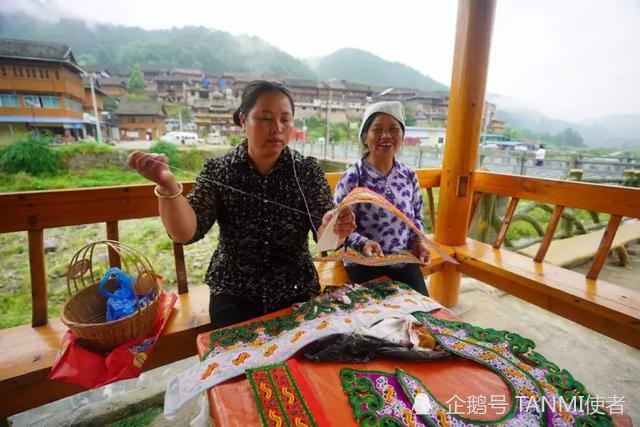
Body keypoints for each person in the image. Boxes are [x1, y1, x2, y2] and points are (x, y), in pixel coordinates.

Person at [128, 80, 355, 329]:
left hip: (295, 287)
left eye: (285, 119)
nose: (277, 128)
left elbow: (325, 236)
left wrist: (336, 228)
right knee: (239, 364)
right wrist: (168, 186)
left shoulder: (307, 171)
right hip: (234, 292)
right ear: (243, 120)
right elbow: (186, 233)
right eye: (265, 118)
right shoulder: (219, 171)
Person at [333, 101, 430, 296]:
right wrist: (363, 243)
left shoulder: (408, 175)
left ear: (401, 136)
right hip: (364, 261)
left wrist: (418, 242)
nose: (386, 136)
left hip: (402, 259)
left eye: (394, 129)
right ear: (365, 137)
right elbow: (338, 228)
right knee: (377, 320)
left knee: (424, 312)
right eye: (377, 129)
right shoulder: (354, 177)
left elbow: (417, 218)